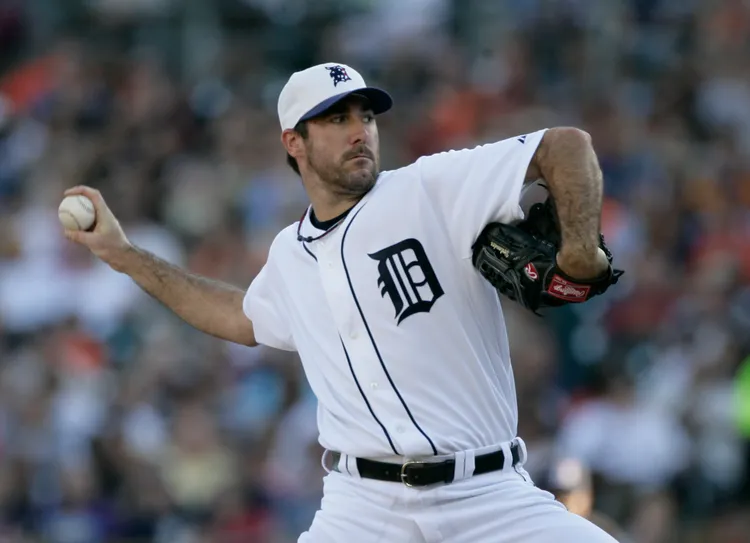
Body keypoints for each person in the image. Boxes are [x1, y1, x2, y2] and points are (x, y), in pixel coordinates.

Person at [63, 62, 618, 542]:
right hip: (365, 509)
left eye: (366, 117)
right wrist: (124, 255)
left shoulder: (428, 188)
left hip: (488, 497)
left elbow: (566, 145)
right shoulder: (289, 254)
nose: (359, 132)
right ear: (294, 142)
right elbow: (237, 316)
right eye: (336, 119)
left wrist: (579, 251)